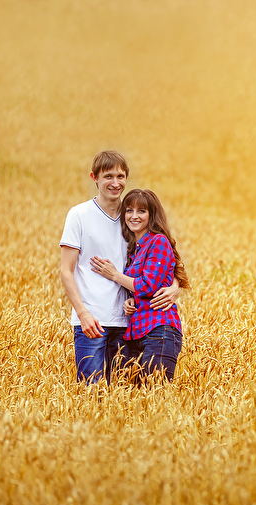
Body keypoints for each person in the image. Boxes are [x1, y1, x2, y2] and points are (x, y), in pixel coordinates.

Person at [59, 151, 179, 385]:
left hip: (128, 325)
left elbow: (165, 258)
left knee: (124, 396)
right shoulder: (79, 215)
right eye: (108, 176)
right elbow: (66, 271)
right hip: (92, 322)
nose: (115, 183)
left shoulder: (133, 217)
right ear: (94, 178)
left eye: (120, 176)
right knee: (91, 392)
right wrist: (83, 314)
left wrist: (174, 286)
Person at [90, 189, 190, 383]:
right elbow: (149, 284)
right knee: (132, 395)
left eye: (141, 211)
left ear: (152, 215)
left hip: (159, 329)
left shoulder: (158, 241)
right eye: (129, 210)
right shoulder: (134, 249)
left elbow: (148, 286)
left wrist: (115, 275)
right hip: (137, 331)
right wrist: (130, 300)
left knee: (155, 393)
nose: (134, 216)